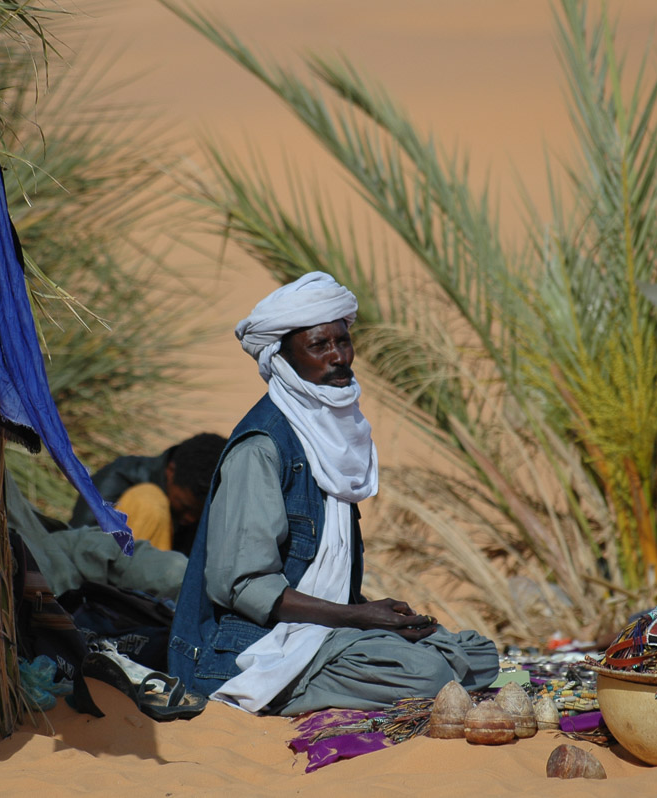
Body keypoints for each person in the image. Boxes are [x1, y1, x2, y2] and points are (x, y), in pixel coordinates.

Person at [168, 272, 499, 715]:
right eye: (319, 346)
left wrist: (371, 614)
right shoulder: (262, 448)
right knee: (428, 674)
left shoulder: (328, 437)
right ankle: (285, 693)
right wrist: (358, 618)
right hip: (250, 649)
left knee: (477, 653)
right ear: (282, 357)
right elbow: (243, 587)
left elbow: (319, 570)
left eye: (343, 341)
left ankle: (368, 664)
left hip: (324, 630)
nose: (339, 357)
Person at [69, 433, 226, 556]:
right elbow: (78, 545)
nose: (191, 519)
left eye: (199, 514)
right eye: (185, 507)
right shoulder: (120, 480)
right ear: (171, 472)